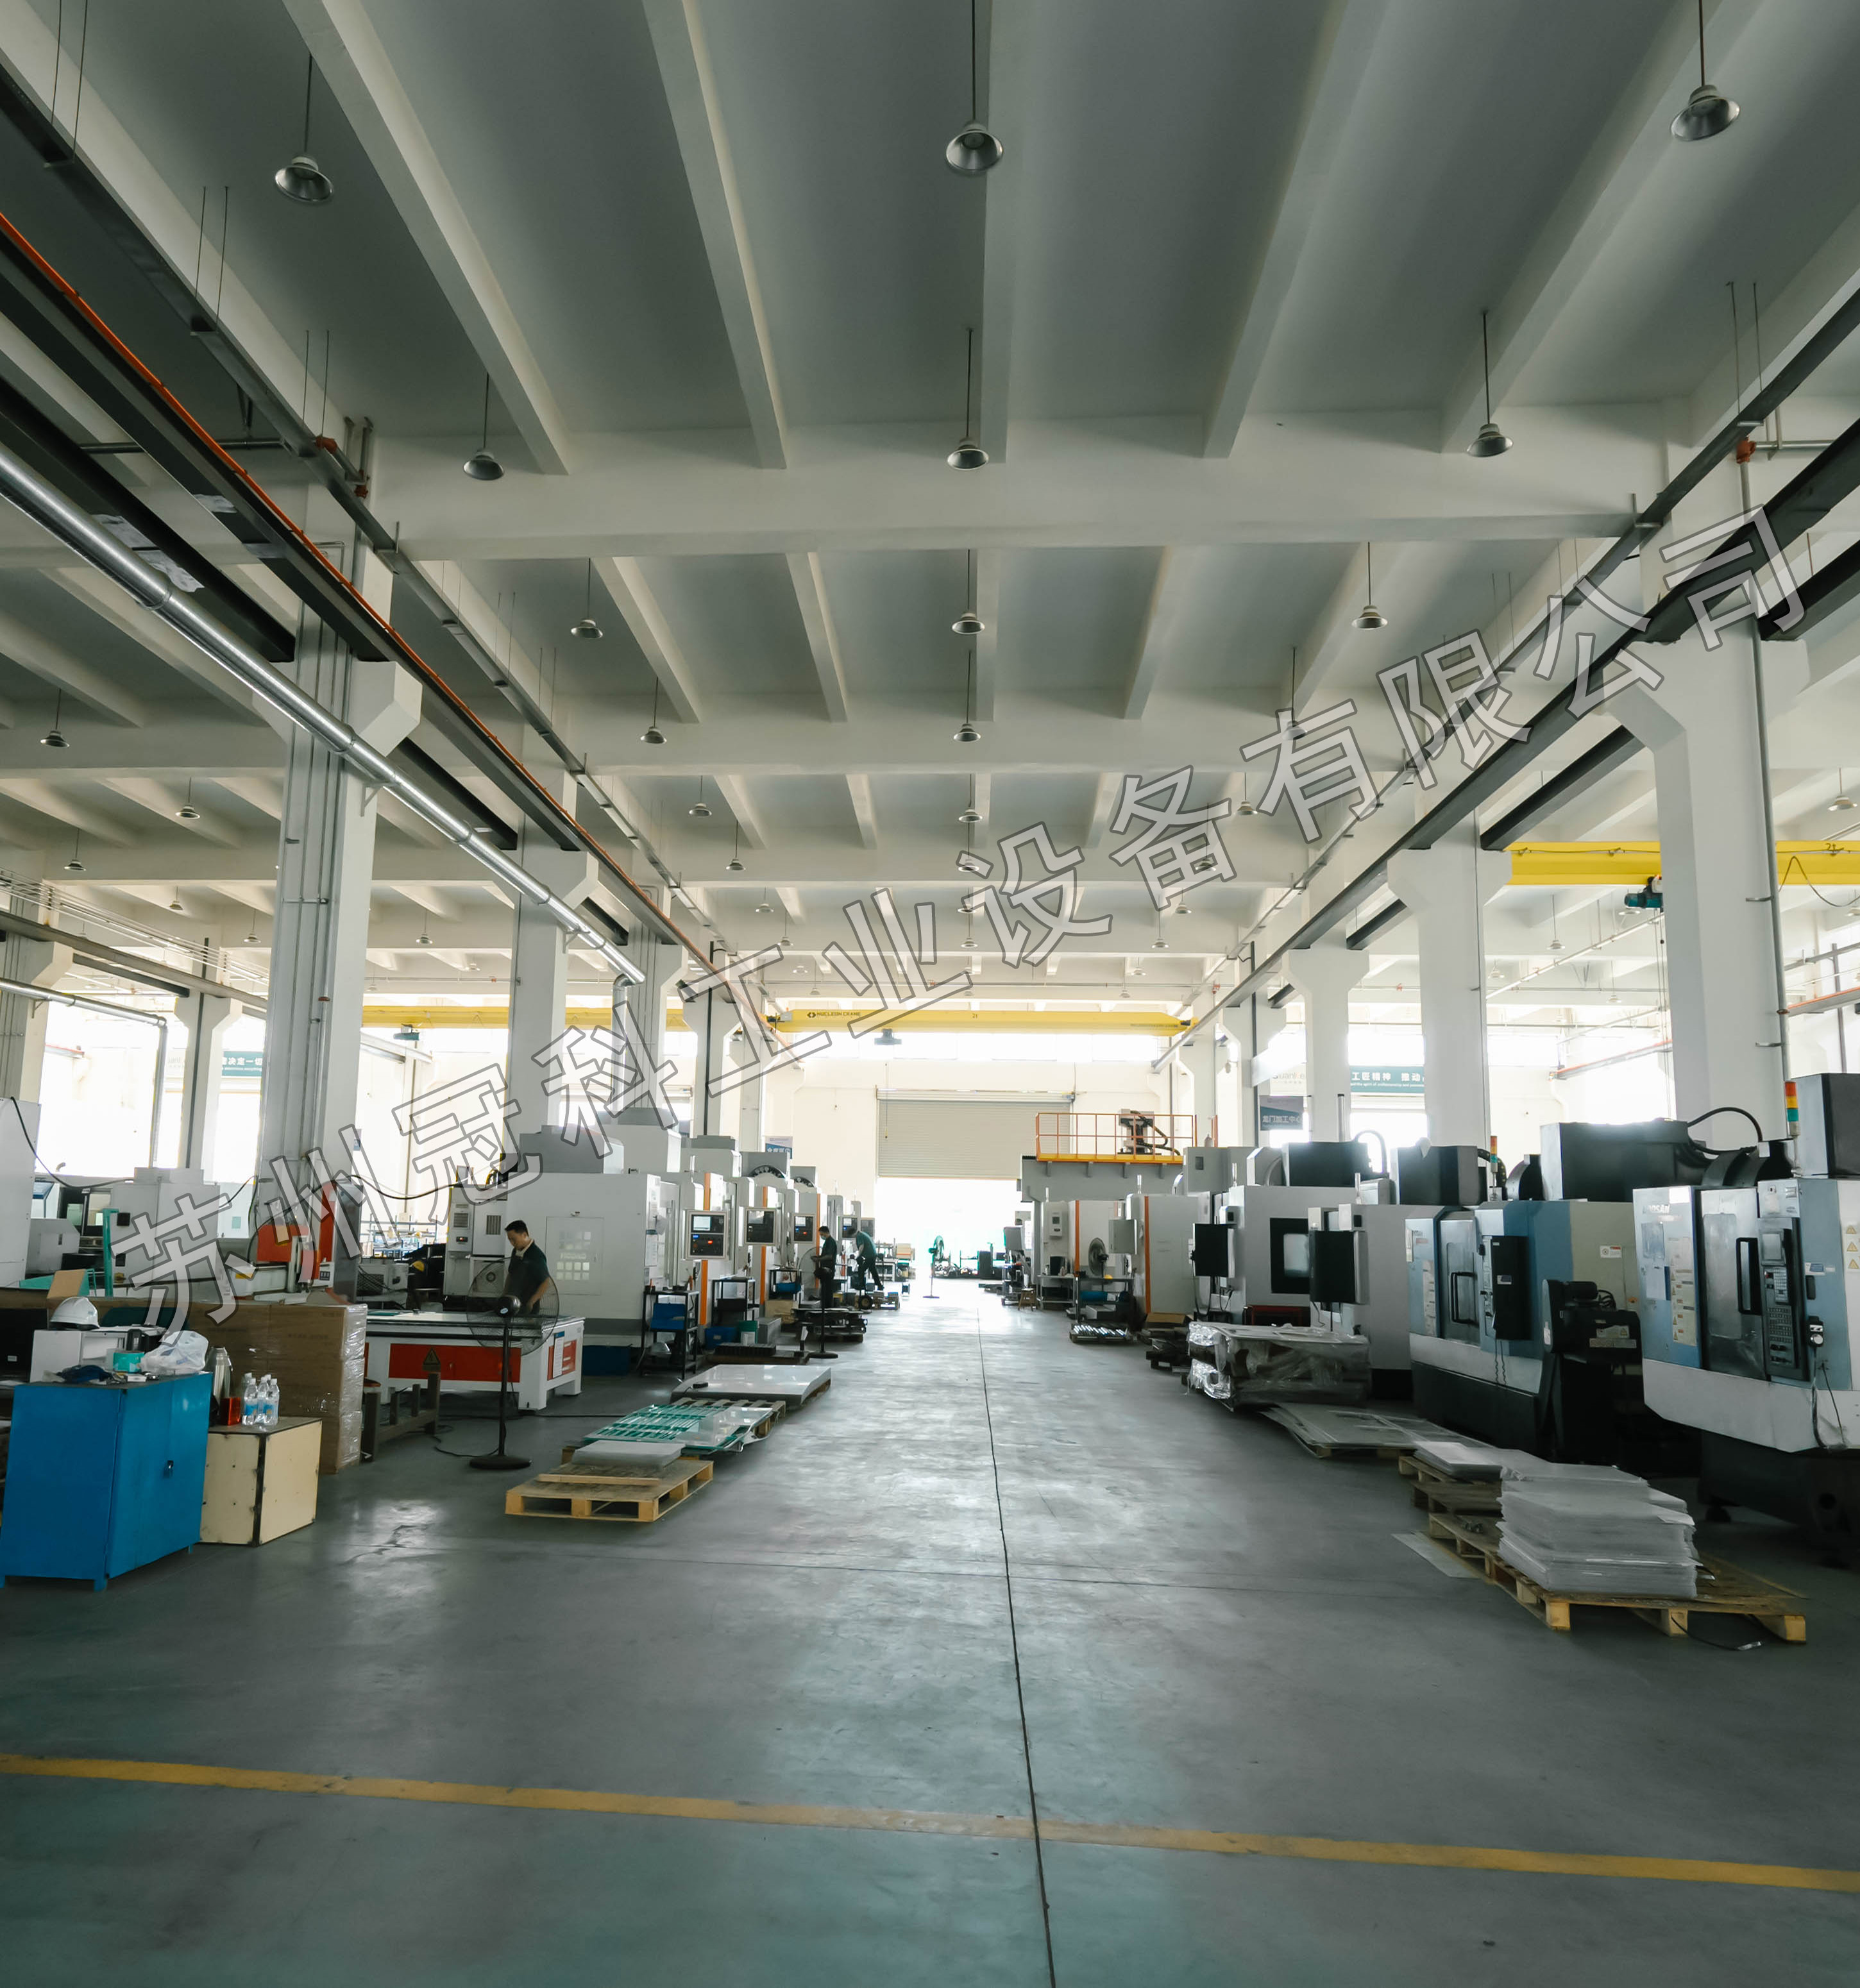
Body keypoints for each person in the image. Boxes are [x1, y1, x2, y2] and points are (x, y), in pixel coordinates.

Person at [502, 1220, 554, 1315]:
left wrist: (531, 1302)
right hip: (512, 1303)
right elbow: (511, 1274)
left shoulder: (536, 1255)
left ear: (524, 1235)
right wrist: (504, 1295)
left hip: (528, 1307)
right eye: (510, 1240)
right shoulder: (516, 1251)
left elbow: (546, 1281)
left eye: (514, 1239)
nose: (512, 1243)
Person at [812, 1222, 839, 1308]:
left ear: (826, 1233)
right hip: (825, 1269)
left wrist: (819, 1259)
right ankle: (824, 1306)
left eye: (822, 1234)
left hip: (829, 1269)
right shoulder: (827, 1242)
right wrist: (818, 1257)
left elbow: (829, 1256)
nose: (821, 1236)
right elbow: (825, 1255)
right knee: (824, 1289)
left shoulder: (831, 1242)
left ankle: (828, 1307)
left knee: (828, 1290)